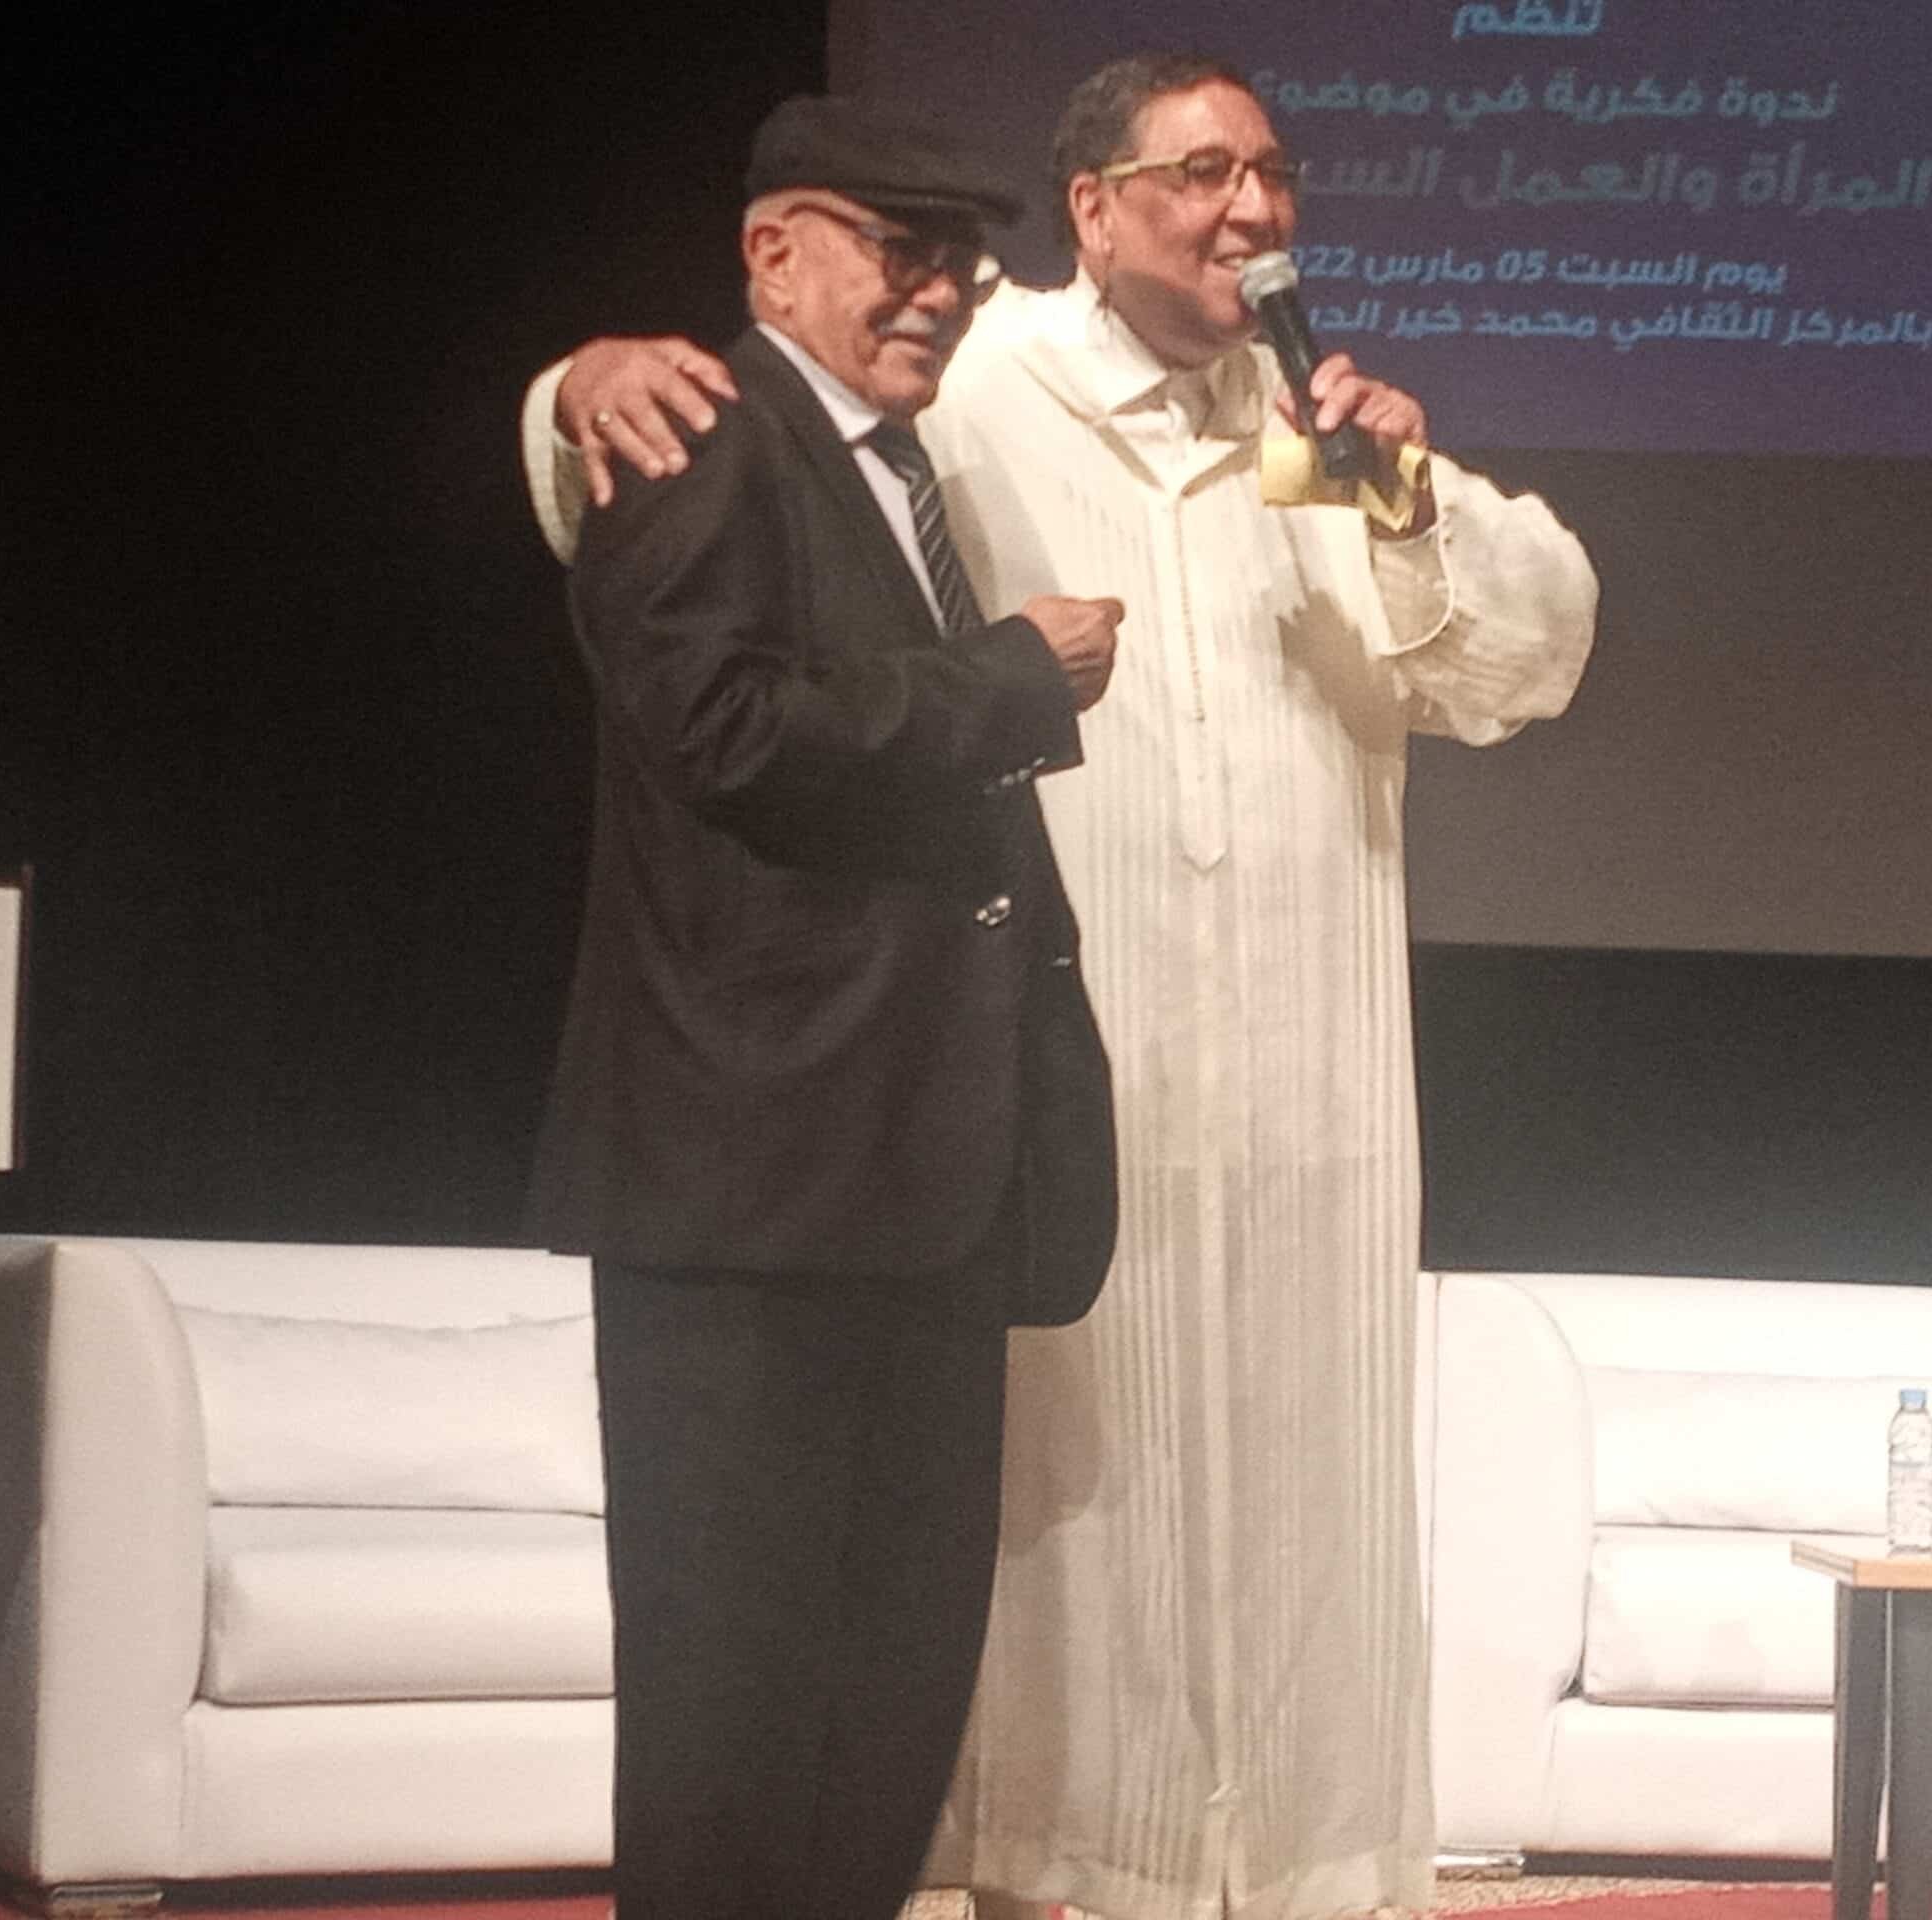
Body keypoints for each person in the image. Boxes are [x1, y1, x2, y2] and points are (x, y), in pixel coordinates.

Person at [525, 55, 1598, 1920]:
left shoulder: (1313, 425)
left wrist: (1408, 499)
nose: (1252, 210)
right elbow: (686, 502)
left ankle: (1286, 1874)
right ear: (1092, 209)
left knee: (1271, 1507)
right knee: (1004, 1560)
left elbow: (1521, 667)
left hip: (1301, 1098)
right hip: (1030, 1089)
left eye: (1275, 173)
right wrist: (570, 387)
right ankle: (1069, 1865)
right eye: (1202, 172)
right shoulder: (975, 376)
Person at [528, 93, 1125, 1920]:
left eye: (964, 262)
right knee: (736, 1696)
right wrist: (1009, 678)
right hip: (754, 1180)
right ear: (773, 252)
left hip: (911, 1178)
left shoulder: (891, 469)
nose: (939, 289)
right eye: (900, 247)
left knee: (886, 1694)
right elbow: (721, 734)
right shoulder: (700, 433)